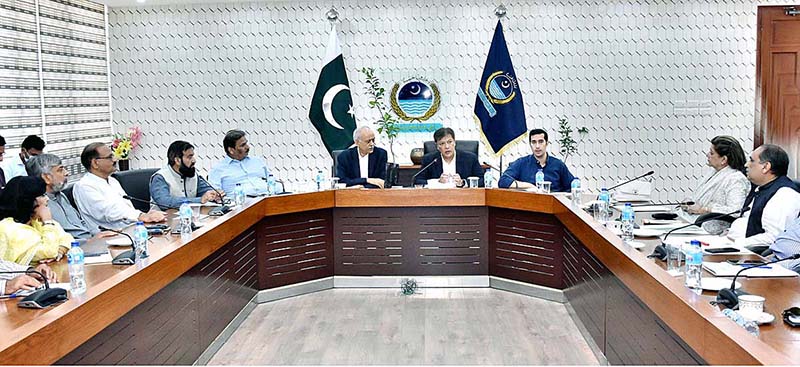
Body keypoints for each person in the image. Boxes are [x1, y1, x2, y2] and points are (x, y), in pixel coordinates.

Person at [73, 142, 166, 231]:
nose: (115, 160)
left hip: (131, 228)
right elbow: (108, 212)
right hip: (109, 237)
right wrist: (140, 216)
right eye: (110, 157)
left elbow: (127, 207)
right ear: (95, 163)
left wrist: (145, 216)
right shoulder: (84, 186)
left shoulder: (112, 181)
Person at [25, 154, 115, 240]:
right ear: (46, 177)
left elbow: (81, 223)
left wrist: (101, 233)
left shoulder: (61, 195)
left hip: (90, 242)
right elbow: (55, 240)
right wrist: (88, 241)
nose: (66, 173)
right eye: (60, 170)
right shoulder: (39, 204)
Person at [728, 144, 800, 248]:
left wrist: (735, 243)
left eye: (751, 160)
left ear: (766, 167)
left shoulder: (785, 195)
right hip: (736, 244)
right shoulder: (762, 188)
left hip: (753, 254)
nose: (746, 165)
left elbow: (774, 238)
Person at [0, 176, 73, 265]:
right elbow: (49, 251)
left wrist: (60, 251)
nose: (47, 199)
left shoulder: (35, 220)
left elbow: (68, 238)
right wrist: (48, 222)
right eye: (42, 195)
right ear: (28, 200)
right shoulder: (9, 228)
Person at [679, 136, 750, 222]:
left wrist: (704, 209)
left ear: (724, 159)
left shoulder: (736, 179)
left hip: (711, 228)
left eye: (712, 153)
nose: (707, 154)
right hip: (694, 220)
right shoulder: (713, 172)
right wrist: (689, 203)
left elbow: (735, 211)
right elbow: (700, 199)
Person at [150, 140, 223, 210]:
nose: (194, 160)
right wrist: (199, 200)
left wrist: (214, 195)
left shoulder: (192, 174)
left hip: (190, 217)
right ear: (177, 160)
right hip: (164, 220)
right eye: (189, 157)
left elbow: (204, 191)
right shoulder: (160, 177)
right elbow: (165, 202)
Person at [498, 128, 575, 192]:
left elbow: (573, 185)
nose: (537, 146)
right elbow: (503, 181)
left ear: (547, 143)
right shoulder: (521, 163)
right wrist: (529, 186)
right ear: (530, 144)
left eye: (541, 142)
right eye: (534, 142)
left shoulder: (558, 165)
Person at [413, 127, 483, 187]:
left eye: (450, 142)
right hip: (438, 199)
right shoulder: (430, 160)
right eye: (442, 143)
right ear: (437, 146)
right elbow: (417, 181)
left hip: (464, 199)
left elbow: (482, 180)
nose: (447, 146)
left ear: (454, 142)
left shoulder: (470, 158)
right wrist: (437, 182)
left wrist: (463, 182)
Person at [209, 130, 271, 195]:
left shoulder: (257, 161)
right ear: (231, 150)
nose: (247, 147)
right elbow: (215, 195)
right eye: (242, 145)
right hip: (240, 203)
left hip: (269, 199)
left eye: (246, 143)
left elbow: (271, 180)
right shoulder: (218, 169)